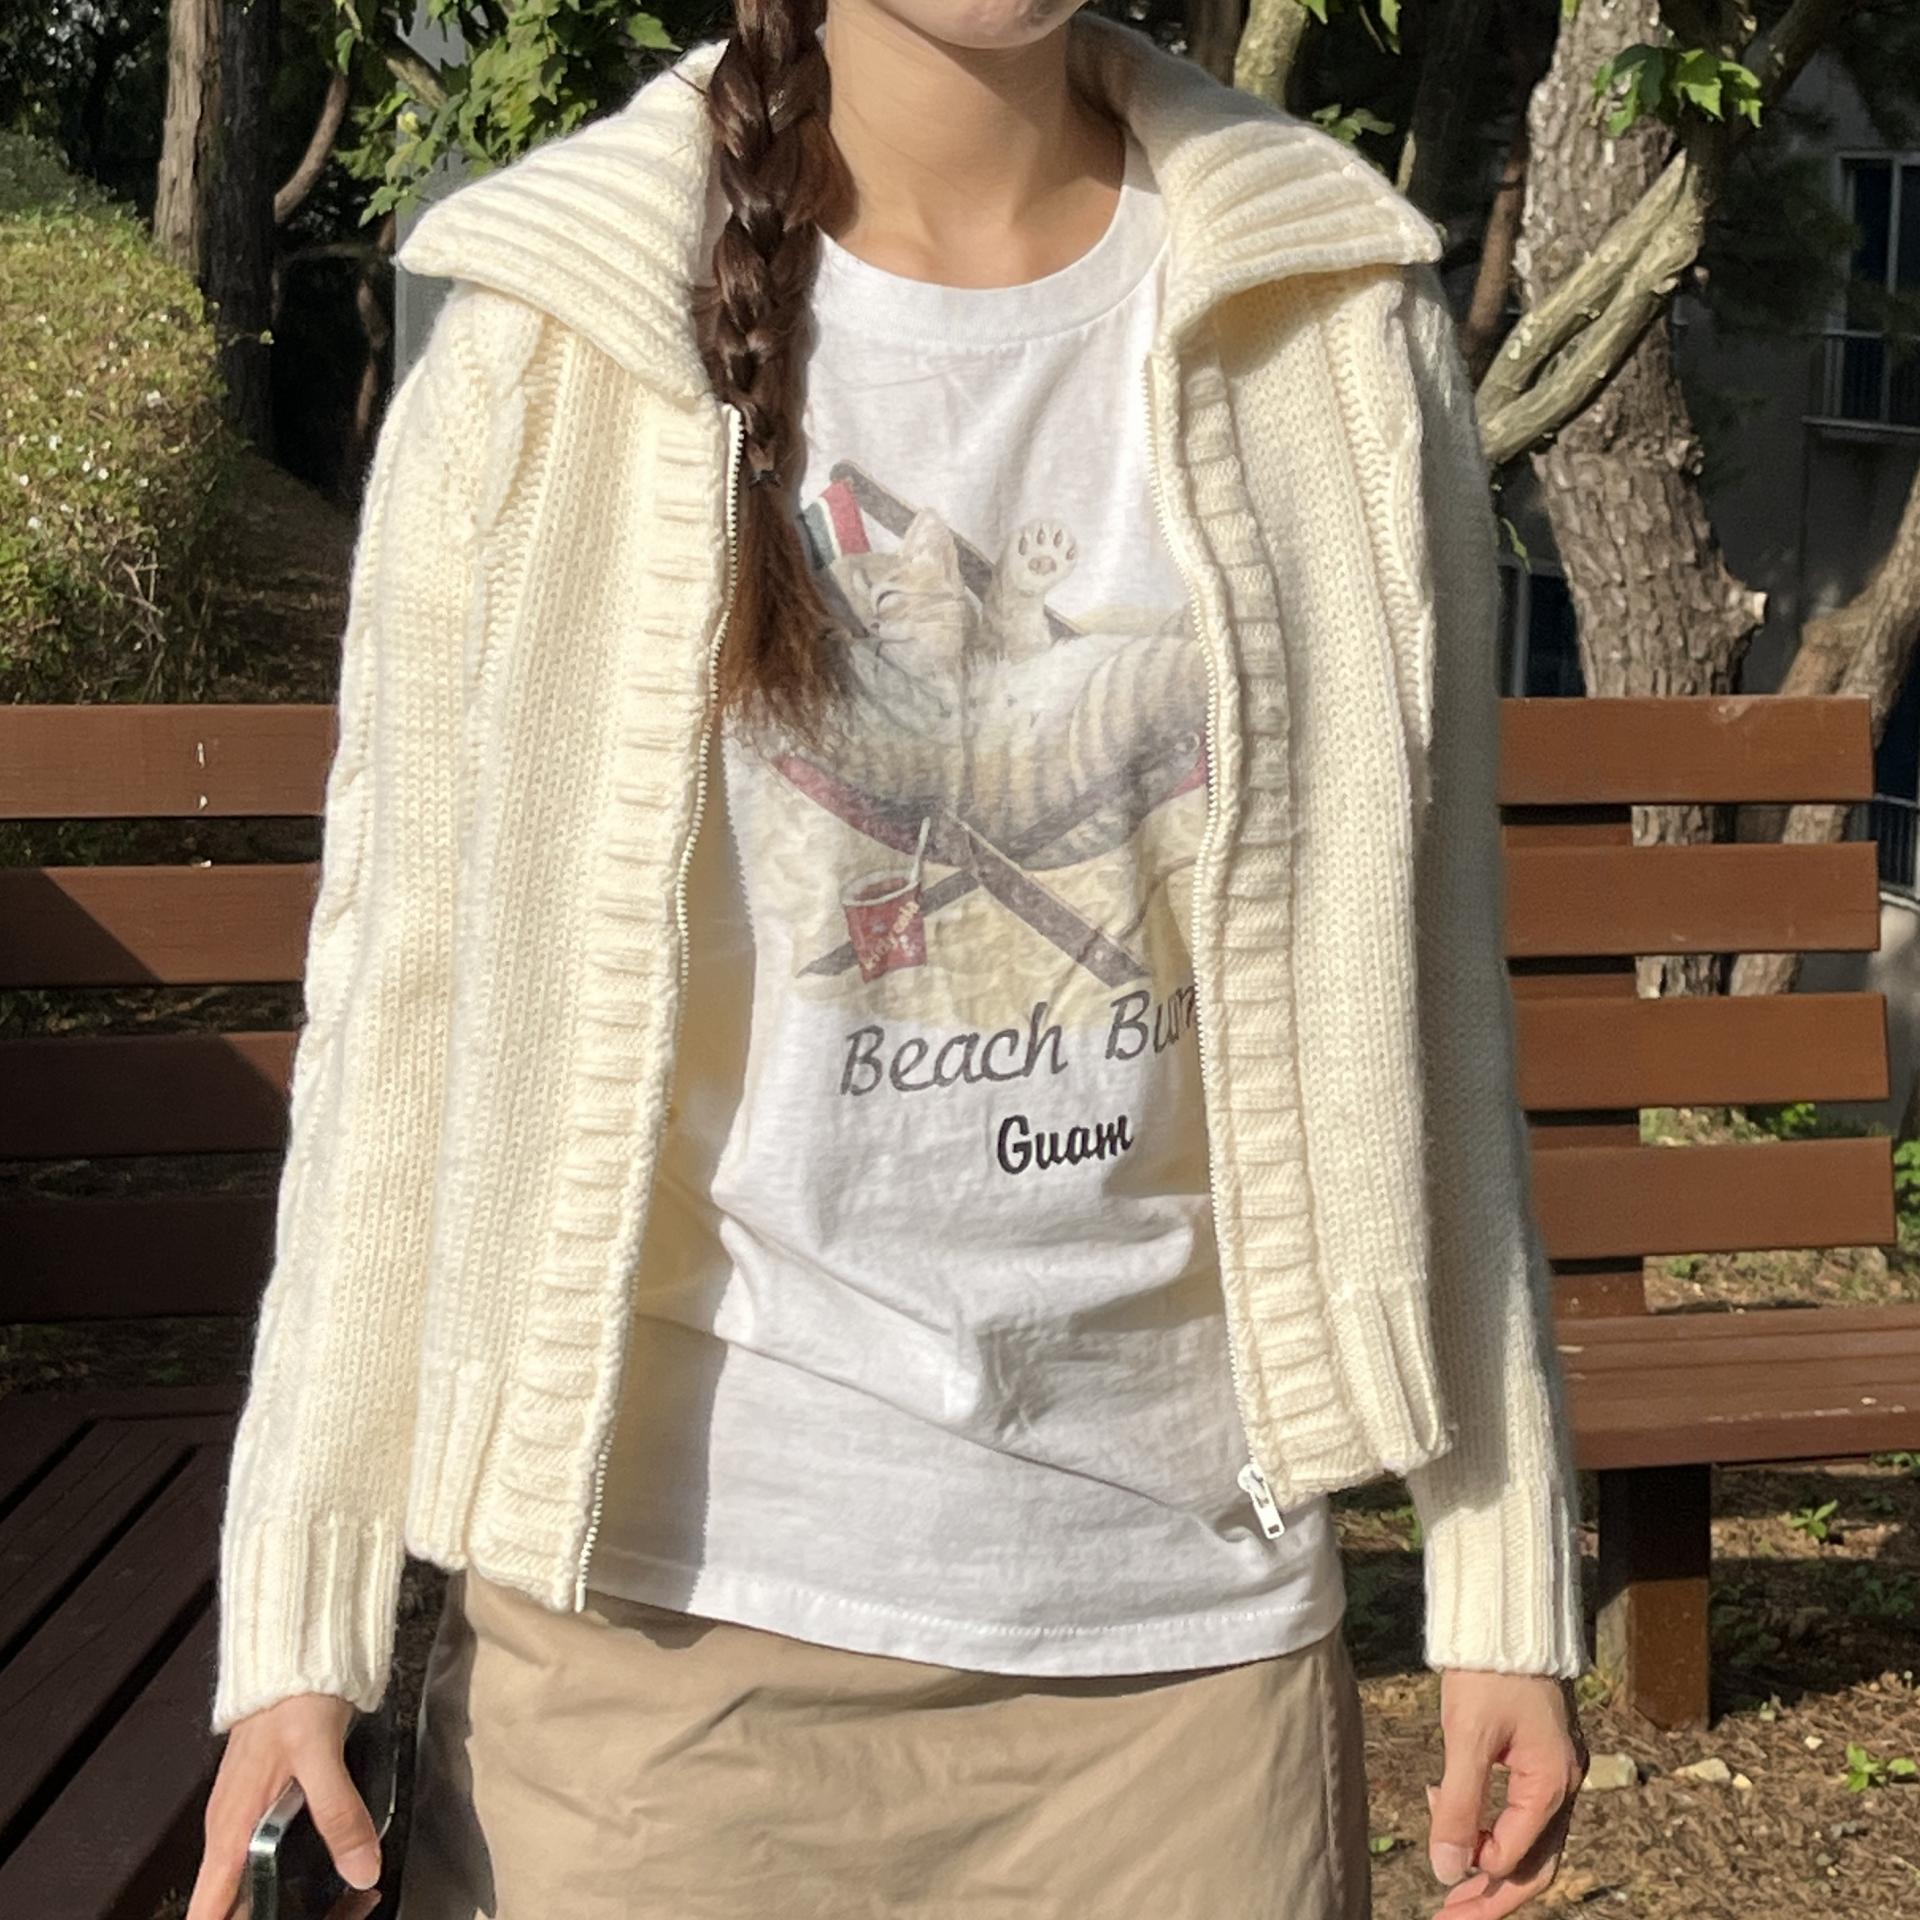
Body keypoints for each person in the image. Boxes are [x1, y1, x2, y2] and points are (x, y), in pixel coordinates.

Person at [186, 3, 1592, 1917]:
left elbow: (1430, 984)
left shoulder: (1332, 314)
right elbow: (401, 1003)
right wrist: (303, 1619)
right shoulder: (553, 323)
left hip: (1185, 1678)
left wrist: (1498, 1566)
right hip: (653, 1670)